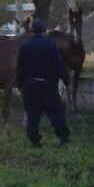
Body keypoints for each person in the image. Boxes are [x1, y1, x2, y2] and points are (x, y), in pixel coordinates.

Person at [16, 18, 70, 148]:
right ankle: (63, 138)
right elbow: (58, 66)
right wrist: (66, 82)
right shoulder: (50, 45)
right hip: (47, 85)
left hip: (30, 85)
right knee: (55, 112)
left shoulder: (25, 46)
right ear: (45, 30)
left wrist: (19, 85)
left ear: (32, 30)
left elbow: (20, 68)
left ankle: (34, 140)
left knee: (32, 114)